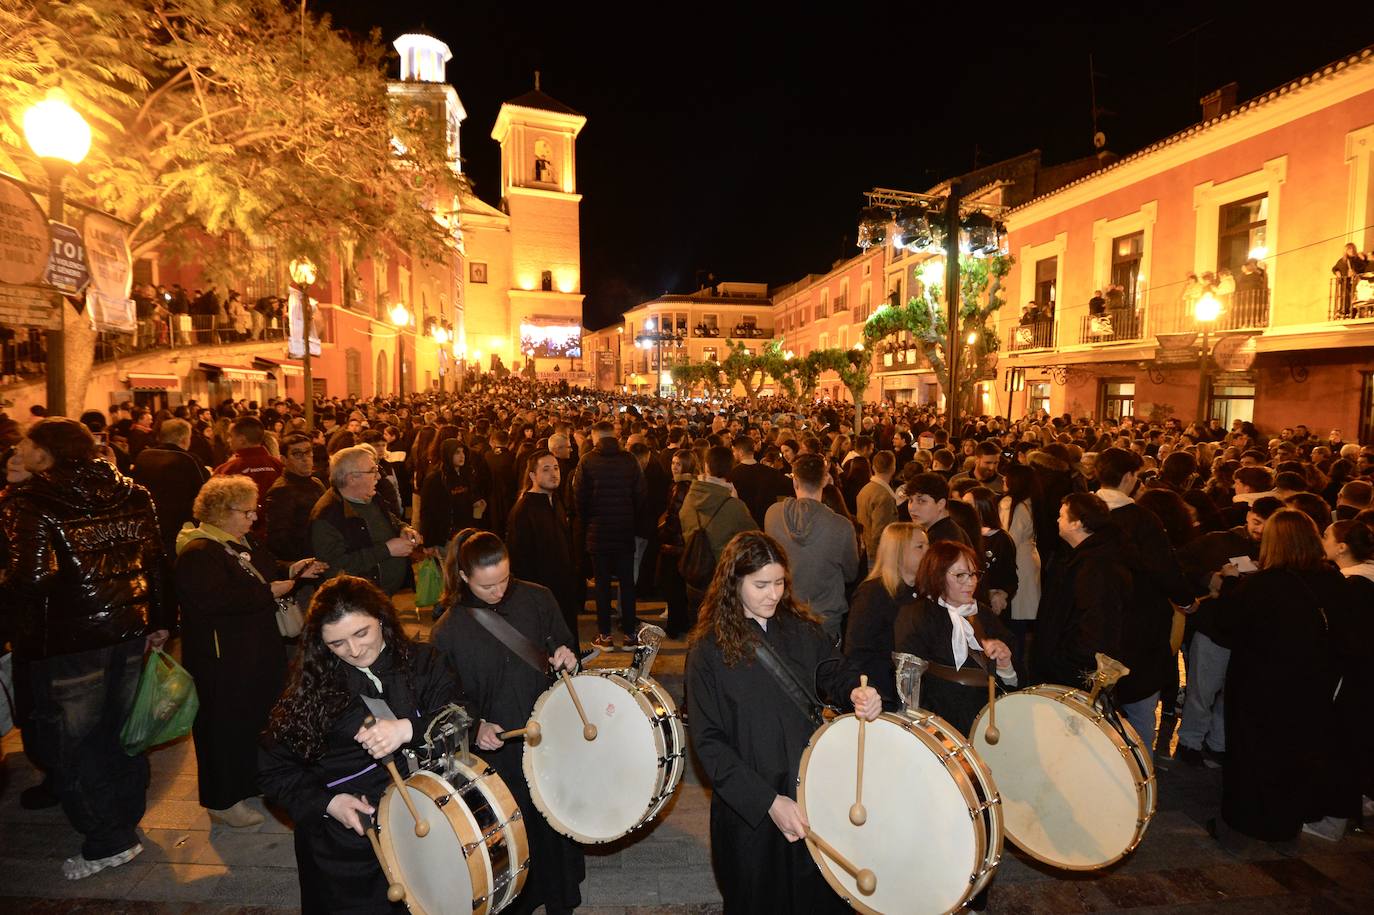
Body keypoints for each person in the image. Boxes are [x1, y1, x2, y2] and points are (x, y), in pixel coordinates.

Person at [0, 418, 170, 879]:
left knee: (74, 744)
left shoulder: (31, 502)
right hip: (128, 632)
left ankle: (106, 840)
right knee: (121, 731)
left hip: (68, 644)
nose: (18, 447)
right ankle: (123, 821)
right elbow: (156, 561)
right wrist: (159, 621)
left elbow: (30, 579)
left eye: (26, 442)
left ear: (45, 452)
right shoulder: (133, 492)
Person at [686, 531, 881, 914]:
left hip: (810, 789)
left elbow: (834, 671)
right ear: (733, 581)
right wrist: (767, 801)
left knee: (818, 896)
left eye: (778, 583)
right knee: (759, 898)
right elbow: (709, 743)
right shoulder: (707, 650)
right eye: (760, 585)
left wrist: (857, 692)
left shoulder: (800, 628)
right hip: (752, 809)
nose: (773, 595)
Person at [258, 575, 463, 914]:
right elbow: (273, 770)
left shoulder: (424, 663)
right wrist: (329, 803)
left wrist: (407, 729)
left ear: (381, 618)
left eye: (361, 633)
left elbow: (460, 716)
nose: (354, 651)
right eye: (336, 644)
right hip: (345, 848)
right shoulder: (312, 687)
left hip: (418, 828)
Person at [430, 530, 585, 915]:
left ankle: (561, 899)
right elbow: (443, 700)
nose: (499, 591)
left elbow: (565, 646)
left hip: (547, 735)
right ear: (464, 577)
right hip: (497, 753)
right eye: (487, 585)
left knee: (555, 824)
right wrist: (475, 726)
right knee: (514, 831)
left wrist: (568, 657)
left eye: (504, 579)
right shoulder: (448, 630)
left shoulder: (538, 597)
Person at [175, 476, 325, 827]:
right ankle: (222, 799)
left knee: (255, 721)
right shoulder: (199, 552)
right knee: (223, 727)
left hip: (254, 651)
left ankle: (253, 781)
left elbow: (265, 567)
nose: (254, 518)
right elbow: (215, 601)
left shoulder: (238, 540)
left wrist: (294, 568)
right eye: (247, 512)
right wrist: (268, 593)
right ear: (220, 512)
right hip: (222, 660)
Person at [1211, 509, 1347, 844]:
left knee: (1253, 752)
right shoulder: (1332, 579)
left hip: (1261, 682)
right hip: (1313, 682)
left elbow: (1227, 624)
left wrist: (1229, 582)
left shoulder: (1263, 585)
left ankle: (1245, 821)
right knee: (1296, 752)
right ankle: (1286, 822)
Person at [1311, 518, 1374, 838]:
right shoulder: (1366, 577)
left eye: (1326, 536)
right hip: (1363, 679)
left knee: (1342, 741)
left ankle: (1334, 817)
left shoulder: (1351, 587)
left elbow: (1345, 639)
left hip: (1351, 679)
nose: (1321, 540)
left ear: (1342, 547)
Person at [1033, 493, 1131, 691]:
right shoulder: (1082, 556)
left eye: (1062, 516)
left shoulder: (1096, 566)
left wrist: (1064, 659)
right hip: (1066, 664)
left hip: (1073, 672)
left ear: (1077, 523)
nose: (1057, 520)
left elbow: (1096, 623)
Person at [765, 453, 860, 642]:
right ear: (825, 480)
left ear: (794, 481)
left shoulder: (772, 515)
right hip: (824, 620)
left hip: (783, 613)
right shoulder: (841, 526)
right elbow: (851, 573)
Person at [310, 445, 421, 595]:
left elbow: (388, 518)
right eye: (372, 471)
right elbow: (334, 567)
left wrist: (403, 528)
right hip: (359, 599)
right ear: (352, 478)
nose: (379, 476)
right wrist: (387, 550)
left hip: (383, 594)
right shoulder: (327, 517)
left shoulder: (369, 495)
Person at [573, 421, 646, 650]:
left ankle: (604, 635)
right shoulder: (630, 460)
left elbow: (579, 498)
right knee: (627, 584)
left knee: (602, 585)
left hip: (598, 532)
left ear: (595, 438)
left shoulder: (587, 461)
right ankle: (629, 635)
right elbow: (641, 495)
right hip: (624, 530)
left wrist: (588, 523)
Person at [844, 522, 928, 710]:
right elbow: (856, 653)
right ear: (899, 552)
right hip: (882, 695)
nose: (928, 552)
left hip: (918, 696)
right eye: (920, 547)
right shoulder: (872, 594)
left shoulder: (924, 593)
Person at [506, 450, 583, 643]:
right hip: (540, 597)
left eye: (556, 468)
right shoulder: (523, 511)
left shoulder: (555, 501)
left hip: (563, 591)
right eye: (546, 469)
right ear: (533, 475)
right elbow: (519, 561)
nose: (553, 473)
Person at [680, 445, 758, 614]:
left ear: (706, 466)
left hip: (694, 574)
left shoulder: (689, 497)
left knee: (699, 626)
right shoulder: (734, 506)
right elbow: (755, 538)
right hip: (723, 580)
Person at [132, 417, 211, 558]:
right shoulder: (189, 459)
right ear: (184, 439)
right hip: (180, 528)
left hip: (148, 524)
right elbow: (205, 492)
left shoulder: (144, 456)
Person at [998, 464, 1041, 676]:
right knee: (1021, 617)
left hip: (1018, 562)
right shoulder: (1030, 503)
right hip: (1028, 559)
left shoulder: (1012, 505)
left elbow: (1009, 537)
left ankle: (1015, 666)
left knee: (1015, 617)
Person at [213, 415, 284, 536]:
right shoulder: (278, 465)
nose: (228, 440)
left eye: (231, 436)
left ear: (242, 439)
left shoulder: (227, 470)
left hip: (241, 535)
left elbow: (214, 506)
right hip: (279, 531)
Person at [263, 432, 327, 563]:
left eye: (308, 452)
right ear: (284, 459)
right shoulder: (281, 491)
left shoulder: (317, 483)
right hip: (305, 563)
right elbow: (278, 540)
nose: (305, 458)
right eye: (297, 454)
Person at [419, 439, 486, 550]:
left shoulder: (467, 475)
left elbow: (469, 498)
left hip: (466, 534)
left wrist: (476, 503)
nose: (462, 456)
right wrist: (428, 542)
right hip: (446, 538)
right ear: (447, 454)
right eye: (457, 452)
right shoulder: (435, 479)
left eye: (463, 452)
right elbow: (427, 512)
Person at [855, 449, 899, 565]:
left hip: (866, 548)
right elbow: (880, 531)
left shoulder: (865, 489)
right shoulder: (884, 496)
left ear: (873, 467)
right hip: (877, 556)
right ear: (893, 468)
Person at [905, 472, 971, 546]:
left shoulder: (943, 541)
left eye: (921, 501)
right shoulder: (950, 530)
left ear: (941, 504)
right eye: (910, 500)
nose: (912, 508)